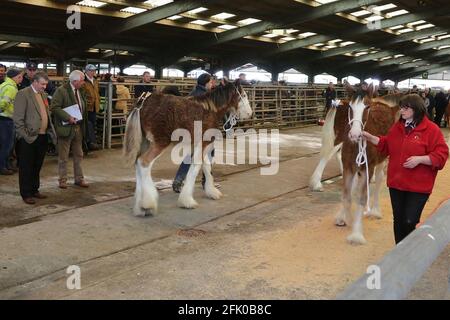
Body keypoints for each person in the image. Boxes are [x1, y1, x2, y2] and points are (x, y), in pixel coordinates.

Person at [362, 94, 448, 244]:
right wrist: (369, 137)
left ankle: (410, 249)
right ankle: (399, 249)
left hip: (418, 187)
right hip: (397, 184)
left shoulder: (431, 130)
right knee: (399, 220)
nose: (401, 110)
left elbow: (441, 155)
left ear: (417, 109)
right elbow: (387, 144)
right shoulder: (397, 127)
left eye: (406, 108)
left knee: (410, 220)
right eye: (401, 107)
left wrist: (420, 160)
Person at [13, 72, 56, 204]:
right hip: (29, 137)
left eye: (46, 84)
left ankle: (34, 189)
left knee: (37, 165)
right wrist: (24, 135)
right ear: (35, 82)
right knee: (26, 166)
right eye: (42, 84)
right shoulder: (23, 94)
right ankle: (26, 193)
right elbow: (18, 118)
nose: (44, 87)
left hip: (42, 136)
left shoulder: (42, 95)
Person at [172, 73, 213, 193]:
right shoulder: (205, 97)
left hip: (189, 130)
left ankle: (178, 180)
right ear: (206, 83)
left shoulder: (192, 94)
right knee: (208, 156)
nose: (212, 84)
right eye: (210, 82)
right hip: (201, 131)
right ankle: (206, 182)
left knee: (190, 156)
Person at [51, 70, 89, 189]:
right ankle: (62, 180)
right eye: (82, 80)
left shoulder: (80, 91)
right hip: (66, 127)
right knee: (64, 156)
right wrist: (68, 117)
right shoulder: (61, 91)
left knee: (79, 154)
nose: (84, 82)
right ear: (75, 81)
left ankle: (79, 178)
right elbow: (54, 107)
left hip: (78, 127)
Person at [0, 68, 23, 175]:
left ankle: (6, 165)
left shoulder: (4, 85)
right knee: (7, 145)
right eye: (20, 77)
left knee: (5, 144)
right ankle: (2, 167)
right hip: (7, 120)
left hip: (4, 119)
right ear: (15, 77)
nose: (21, 79)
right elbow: (4, 103)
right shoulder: (11, 88)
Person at [81, 64, 100, 151]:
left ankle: (90, 143)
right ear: (86, 71)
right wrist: (86, 103)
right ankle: (88, 143)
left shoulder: (95, 81)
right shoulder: (83, 82)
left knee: (92, 124)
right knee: (87, 125)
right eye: (91, 71)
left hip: (94, 107)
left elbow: (96, 93)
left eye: (94, 71)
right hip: (87, 107)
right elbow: (82, 94)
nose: (93, 72)